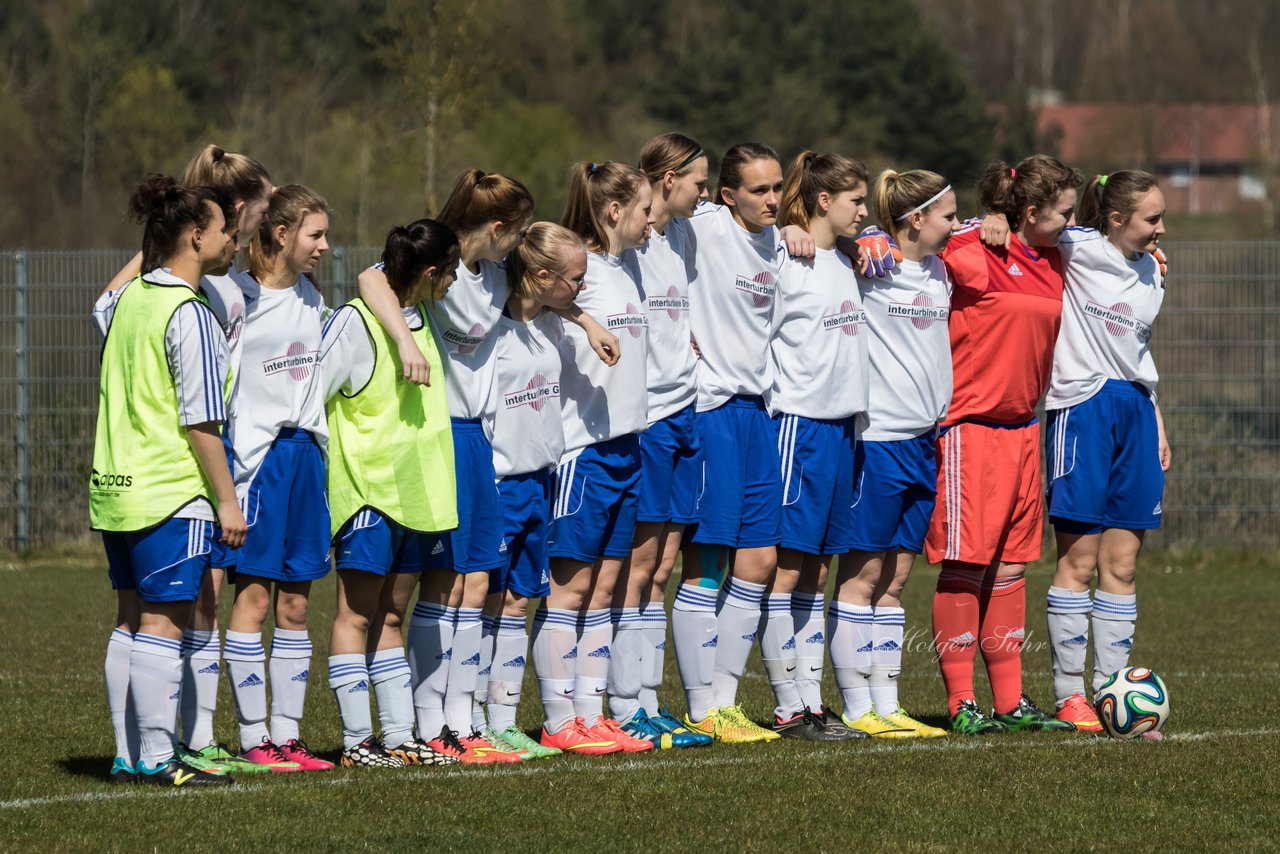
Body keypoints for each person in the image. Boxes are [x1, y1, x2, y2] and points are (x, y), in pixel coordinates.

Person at [358, 170, 616, 764]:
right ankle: (437, 723)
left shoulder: (496, 274)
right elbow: (374, 279)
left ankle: (466, 724)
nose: (521, 241)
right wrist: (402, 341)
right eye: (519, 228)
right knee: (447, 587)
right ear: (498, 227)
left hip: (475, 440)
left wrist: (585, 321)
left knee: (470, 585)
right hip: (439, 433)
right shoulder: (441, 263)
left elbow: (537, 300)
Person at [97, 145, 272, 777]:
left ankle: (127, 754)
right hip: (172, 491)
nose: (232, 240)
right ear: (196, 236)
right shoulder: (189, 312)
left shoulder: (128, 301)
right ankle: (158, 757)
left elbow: (105, 310)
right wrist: (227, 499)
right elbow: (201, 420)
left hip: (117, 488)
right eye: (223, 229)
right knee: (165, 627)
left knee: (129, 622)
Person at [986, 172, 1169, 732]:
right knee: (1079, 562)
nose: (1163, 229)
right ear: (1115, 220)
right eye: (1152, 219)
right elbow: (1026, 220)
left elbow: (1136, 351)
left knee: (1123, 563)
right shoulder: (1077, 244)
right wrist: (993, 215)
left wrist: (1157, 420)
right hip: (1081, 410)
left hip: (1136, 411)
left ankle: (1111, 692)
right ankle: (1070, 695)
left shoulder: (1154, 273)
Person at [927, 155, 1081, 734]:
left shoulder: (1055, 256)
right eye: (1064, 211)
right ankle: (960, 703)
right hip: (972, 427)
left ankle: (1011, 703)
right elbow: (906, 234)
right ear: (1032, 210)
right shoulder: (975, 248)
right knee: (967, 565)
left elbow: (1108, 239)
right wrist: (986, 215)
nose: (1072, 220)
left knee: (1013, 565)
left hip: (1023, 430)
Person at [319, 219, 463, 767]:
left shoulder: (422, 315)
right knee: (355, 615)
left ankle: (399, 738)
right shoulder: (354, 323)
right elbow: (314, 395)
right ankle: (358, 743)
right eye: (448, 273)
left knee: (392, 618)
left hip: (419, 495)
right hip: (369, 495)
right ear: (430, 272)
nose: (452, 283)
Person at [830, 169, 958, 740]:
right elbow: (814, 234)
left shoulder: (940, 269)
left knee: (897, 577)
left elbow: (987, 227)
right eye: (948, 215)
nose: (956, 224)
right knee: (863, 575)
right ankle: (857, 705)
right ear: (915, 219)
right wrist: (861, 239)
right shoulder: (870, 266)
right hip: (877, 441)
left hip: (924, 441)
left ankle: (888, 703)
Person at [538, 160, 655, 755]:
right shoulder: (576, 271)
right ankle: (559, 718)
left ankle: (591, 713)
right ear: (614, 212)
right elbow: (530, 285)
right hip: (584, 451)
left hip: (627, 446)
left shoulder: (621, 268)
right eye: (643, 211)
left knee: (608, 587)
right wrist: (580, 316)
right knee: (569, 590)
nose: (651, 222)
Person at [217, 185, 335, 772]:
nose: (324, 245)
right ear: (281, 234)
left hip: (308, 458)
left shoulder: (314, 296)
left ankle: (288, 737)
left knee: (296, 606)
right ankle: (252, 737)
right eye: (314, 234)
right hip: (258, 464)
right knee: (255, 601)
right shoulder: (233, 295)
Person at [675, 142, 786, 744]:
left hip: (757, 413)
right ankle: (702, 708)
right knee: (708, 563)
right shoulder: (707, 228)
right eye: (759, 190)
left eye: (776, 188)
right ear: (726, 195)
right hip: (711, 409)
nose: (772, 199)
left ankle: (727, 702)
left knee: (761, 561)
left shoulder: (779, 239)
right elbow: (652, 202)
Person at [760, 151, 872, 742]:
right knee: (787, 568)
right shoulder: (787, 255)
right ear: (824, 201)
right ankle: (788, 707)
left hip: (841, 432)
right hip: (799, 429)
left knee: (817, 572)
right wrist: (786, 229)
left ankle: (811, 701)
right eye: (855, 200)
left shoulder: (851, 258)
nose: (864, 211)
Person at [610, 132, 712, 748]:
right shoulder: (628, 241)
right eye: (698, 181)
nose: (705, 191)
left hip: (684, 412)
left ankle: (648, 700)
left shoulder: (686, 234)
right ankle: (623, 704)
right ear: (667, 179)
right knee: (637, 566)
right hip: (645, 419)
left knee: (664, 566)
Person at [481, 222, 587, 757]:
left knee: (520, 602)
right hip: (499, 483)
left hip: (541, 481)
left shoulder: (553, 323)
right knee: (483, 604)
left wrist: (584, 320)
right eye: (575, 278)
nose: (582, 288)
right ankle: (466, 720)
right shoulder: (487, 329)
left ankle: (502, 720)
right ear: (541, 275)